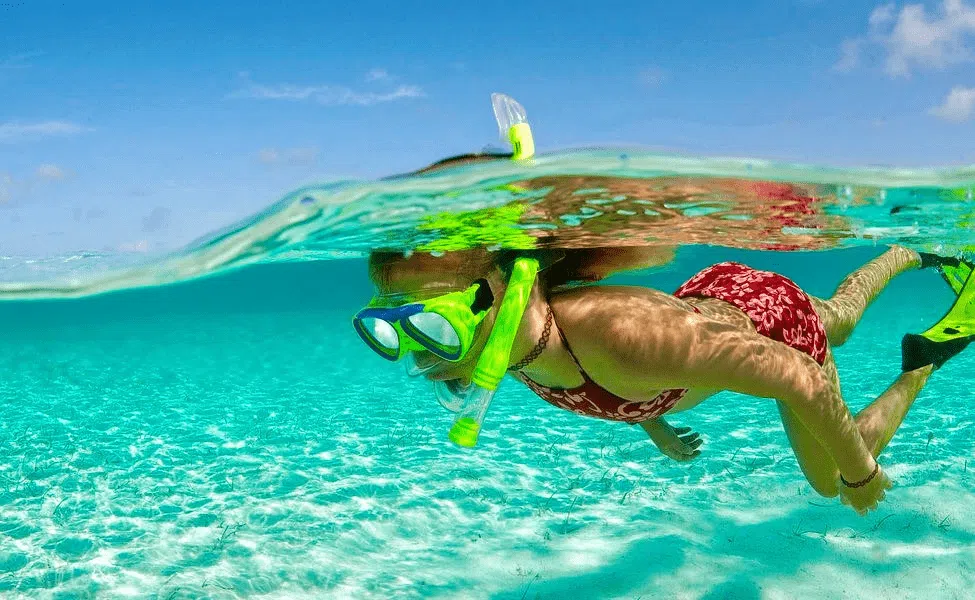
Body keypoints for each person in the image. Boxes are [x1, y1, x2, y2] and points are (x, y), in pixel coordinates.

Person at [358, 156, 970, 517]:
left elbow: (803, 379)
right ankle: (906, 252)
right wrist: (653, 421)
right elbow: (613, 377)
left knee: (831, 481)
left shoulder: (616, 335)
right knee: (840, 318)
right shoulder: (517, 346)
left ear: (513, 287)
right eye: (392, 331)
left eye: (433, 326)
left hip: (768, 323)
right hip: (720, 296)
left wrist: (865, 478)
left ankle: (921, 362)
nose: (419, 354)